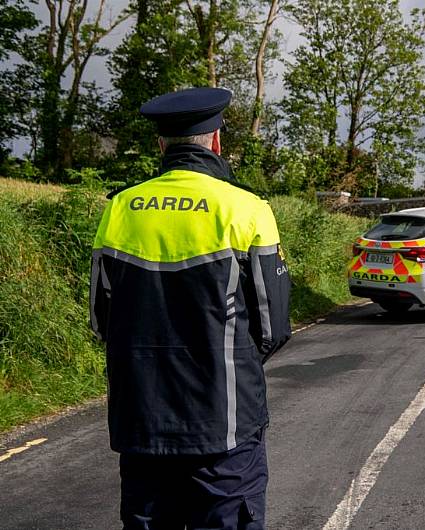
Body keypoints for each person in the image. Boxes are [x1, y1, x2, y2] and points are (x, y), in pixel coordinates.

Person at [90, 87, 291, 530]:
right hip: (224, 429)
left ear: (161, 144)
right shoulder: (248, 210)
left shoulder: (120, 208)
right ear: (216, 141)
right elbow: (272, 329)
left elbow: (103, 322)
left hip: (142, 426)